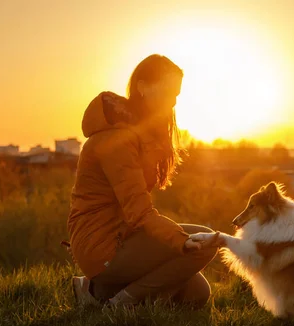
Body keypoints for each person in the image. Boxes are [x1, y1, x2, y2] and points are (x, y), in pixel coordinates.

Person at [67, 54, 217, 309]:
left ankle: (97, 291)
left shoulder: (138, 135)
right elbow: (139, 212)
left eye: (176, 96)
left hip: (125, 236)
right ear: (143, 87)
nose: (172, 102)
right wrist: (180, 241)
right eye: (168, 92)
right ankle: (120, 305)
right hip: (101, 245)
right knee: (205, 242)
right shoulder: (116, 140)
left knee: (197, 294)